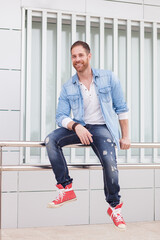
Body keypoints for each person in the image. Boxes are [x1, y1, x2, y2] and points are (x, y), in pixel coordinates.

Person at [45, 41, 130, 230]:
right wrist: (76, 126)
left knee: (109, 162)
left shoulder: (108, 78)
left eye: (80, 55)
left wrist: (125, 136)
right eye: (74, 56)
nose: (77, 60)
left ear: (89, 56)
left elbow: (121, 108)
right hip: (80, 127)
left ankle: (115, 207)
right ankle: (66, 188)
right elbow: (60, 116)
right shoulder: (68, 86)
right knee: (51, 140)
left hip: (102, 127)